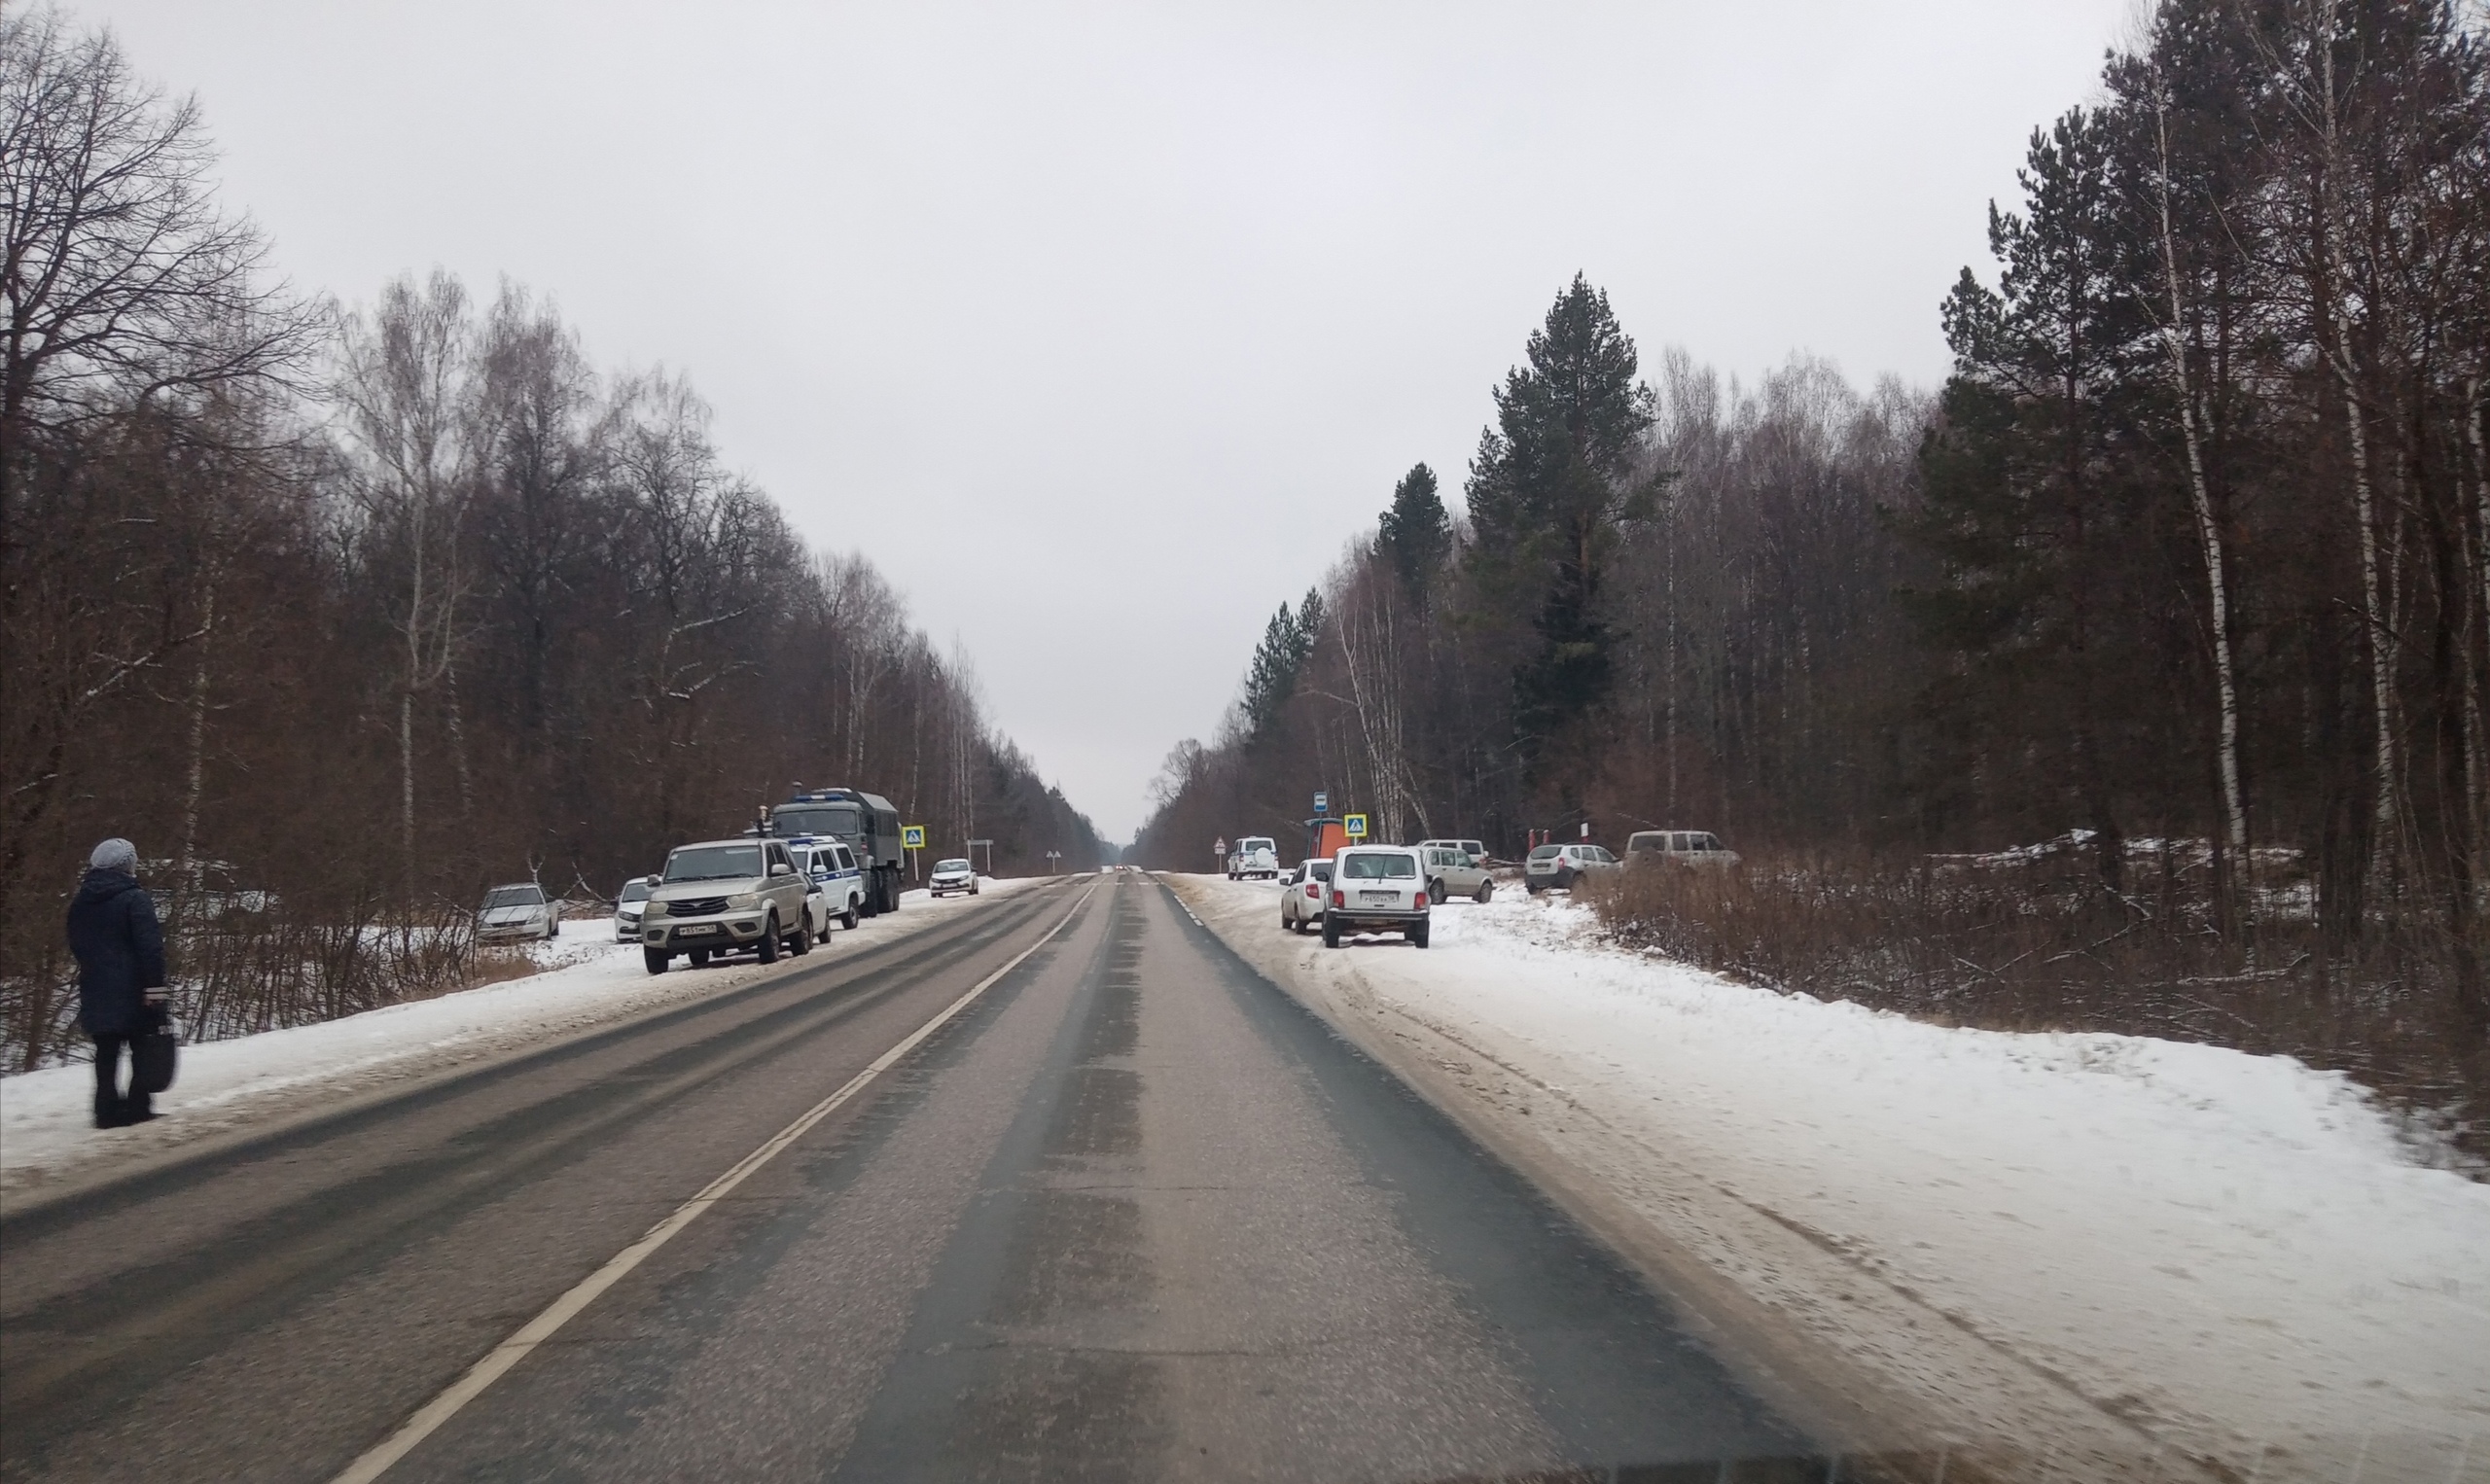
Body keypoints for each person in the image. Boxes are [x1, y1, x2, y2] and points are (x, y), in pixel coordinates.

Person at [65, 837, 167, 1128]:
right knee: (142, 1047)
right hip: (134, 988)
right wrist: (155, 989)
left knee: (106, 1051)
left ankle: (105, 1111)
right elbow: (150, 948)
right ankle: (138, 1106)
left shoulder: (81, 901)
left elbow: (77, 944)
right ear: (128, 865)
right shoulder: (135, 898)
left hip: (95, 985)